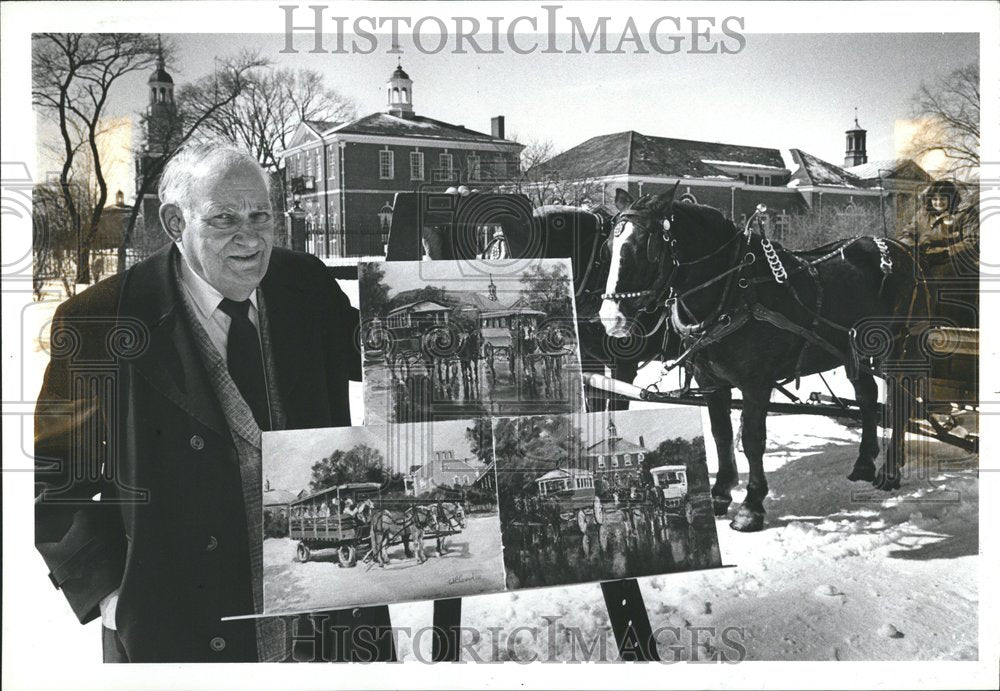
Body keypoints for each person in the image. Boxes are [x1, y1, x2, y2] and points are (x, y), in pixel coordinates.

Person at [34, 145, 393, 663]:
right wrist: (111, 594)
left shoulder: (306, 284)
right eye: (224, 219)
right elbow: (52, 475)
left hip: (325, 614)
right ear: (175, 221)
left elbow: (386, 364)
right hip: (184, 625)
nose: (250, 238)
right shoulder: (103, 321)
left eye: (260, 215)